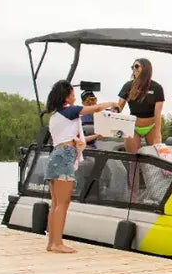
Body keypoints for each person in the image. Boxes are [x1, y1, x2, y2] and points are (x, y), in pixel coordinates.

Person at [43, 80, 118, 253]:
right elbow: (95, 109)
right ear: (66, 96)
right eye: (72, 93)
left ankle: (51, 242)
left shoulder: (56, 116)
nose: (74, 97)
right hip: (65, 157)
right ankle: (57, 243)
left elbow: (72, 138)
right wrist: (112, 104)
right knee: (63, 203)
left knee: (56, 203)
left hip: (56, 156)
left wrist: (95, 136)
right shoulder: (70, 111)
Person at [114, 58, 165, 154]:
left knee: (155, 156)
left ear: (146, 68)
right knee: (132, 157)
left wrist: (158, 134)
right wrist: (113, 111)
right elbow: (119, 107)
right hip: (133, 126)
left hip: (151, 126)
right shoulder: (128, 86)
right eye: (132, 67)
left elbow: (158, 114)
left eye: (136, 66)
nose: (134, 69)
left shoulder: (157, 88)